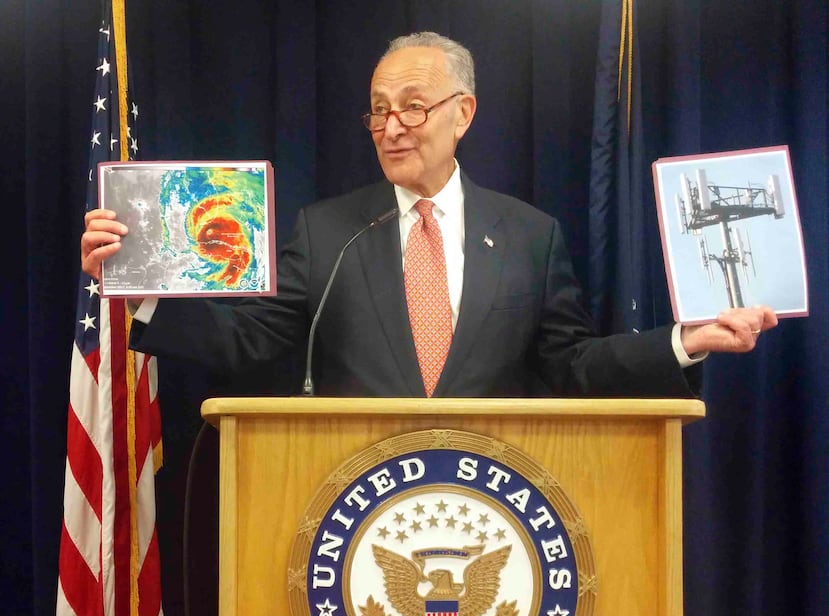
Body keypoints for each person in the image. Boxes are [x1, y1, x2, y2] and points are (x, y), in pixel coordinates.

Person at [81, 31, 777, 398]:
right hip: (354, 497)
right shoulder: (327, 232)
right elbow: (249, 343)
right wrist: (141, 291)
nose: (391, 128)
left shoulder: (530, 237)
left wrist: (684, 341)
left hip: (489, 499)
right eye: (378, 111)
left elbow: (571, 366)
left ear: (461, 113)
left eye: (412, 107)